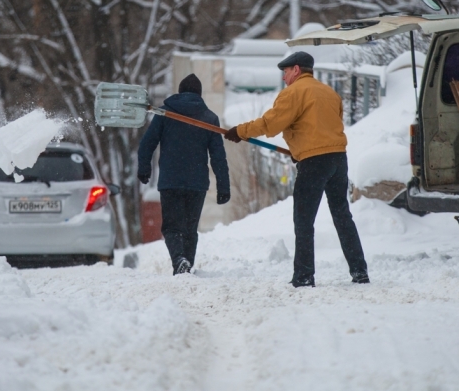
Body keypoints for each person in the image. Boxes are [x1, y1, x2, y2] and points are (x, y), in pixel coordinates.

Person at [224, 51, 369, 287]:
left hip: (314, 163)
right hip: (338, 159)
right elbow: (322, 126)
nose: (284, 78)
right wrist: (299, 149)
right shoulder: (330, 93)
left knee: (304, 221)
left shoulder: (292, 93)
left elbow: (271, 124)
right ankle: (359, 271)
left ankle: (304, 276)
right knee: (342, 216)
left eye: (286, 72)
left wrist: (240, 131)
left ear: (297, 70)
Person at [138, 73, 230, 275]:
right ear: (199, 94)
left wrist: (144, 167)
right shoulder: (209, 118)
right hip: (196, 184)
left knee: (172, 227)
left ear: (179, 92)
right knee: (189, 229)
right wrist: (223, 186)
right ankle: (185, 265)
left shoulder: (164, 114)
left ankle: (180, 262)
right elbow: (218, 156)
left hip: (171, 181)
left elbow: (147, 143)